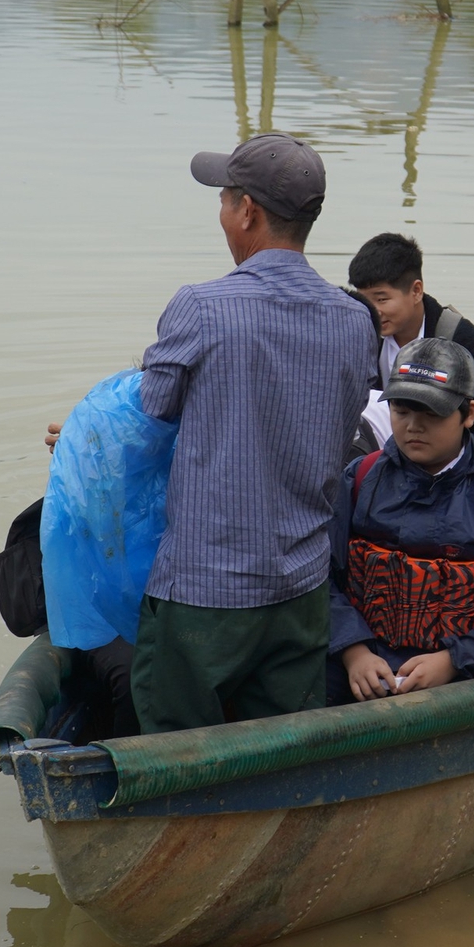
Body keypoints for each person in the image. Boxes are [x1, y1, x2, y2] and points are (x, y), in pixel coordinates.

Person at [125, 132, 376, 733]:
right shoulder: (353, 319)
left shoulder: (201, 307)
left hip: (205, 591)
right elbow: (343, 432)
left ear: (248, 212)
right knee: (277, 748)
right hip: (300, 588)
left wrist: (84, 435)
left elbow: (149, 416)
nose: (222, 213)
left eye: (223, 199)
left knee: (174, 747)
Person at [329, 338, 474, 702]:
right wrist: (353, 652)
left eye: (432, 414)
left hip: (468, 683)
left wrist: (454, 660)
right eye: (402, 411)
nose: (413, 427)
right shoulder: (359, 477)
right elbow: (322, 579)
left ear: (468, 413)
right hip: (363, 676)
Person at [346, 232, 474, 467]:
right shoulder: (364, 336)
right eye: (364, 300)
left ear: (416, 291)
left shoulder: (460, 338)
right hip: (379, 448)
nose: (372, 311)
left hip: (443, 453)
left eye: (382, 299)